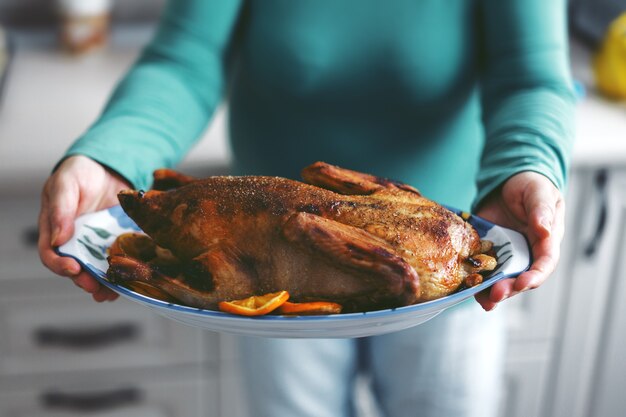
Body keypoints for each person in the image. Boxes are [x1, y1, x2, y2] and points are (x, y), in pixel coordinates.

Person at [39, 1, 574, 416]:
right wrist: (111, 157)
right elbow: (185, 60)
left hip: (451, 268)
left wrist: (525, 168)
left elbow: (529, 74)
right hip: (264, 272)